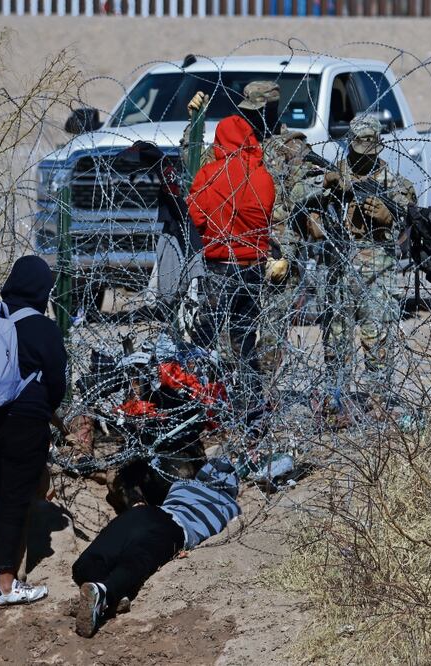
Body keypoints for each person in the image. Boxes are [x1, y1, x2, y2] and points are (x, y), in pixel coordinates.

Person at [181, 81, 319, 379]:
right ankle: (231, 395)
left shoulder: (293, 147)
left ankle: (259, 394)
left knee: (271, 332)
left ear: (273, 109)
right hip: (242, 253)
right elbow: (197, 170)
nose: (253, 118)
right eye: (248, 112)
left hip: (279, 255)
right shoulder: (237, 143)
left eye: (259, 112)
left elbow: (306, 196)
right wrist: (193, 126)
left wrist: (286, 252)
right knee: (230, 338)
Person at [0, 255, 68, 608]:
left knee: (5, 487)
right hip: (25, 422)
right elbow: (57, 385)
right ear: (42, 290)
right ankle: (6, 585)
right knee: (17, 498)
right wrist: (46, 411)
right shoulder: (44, 328)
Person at [71, 457, 241, 637]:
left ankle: (100, 588)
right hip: (176, 530)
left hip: (145, 513)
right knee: (137, 560)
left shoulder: (181, 485)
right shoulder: (231, 508)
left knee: (89, 562)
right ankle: (106, 592)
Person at [186, 115, 275, 422]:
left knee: (205, 339)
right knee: (244, 340)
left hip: (220, 268)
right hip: (253, 268)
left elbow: (196, 218)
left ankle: (198, 402)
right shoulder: (263, 177)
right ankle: (251, 406)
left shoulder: (209, 175)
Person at [321, 115, 417, 393]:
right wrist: (328, 183)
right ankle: (336, 399)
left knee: (376, 341)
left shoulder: (394, 184)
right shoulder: (335, 176)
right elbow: (301, 196)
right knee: (335, 341)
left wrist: (390, 218)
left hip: (378, 272)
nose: (363, 159)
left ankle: (376, 403)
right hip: (340, 269)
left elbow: (413, 223)